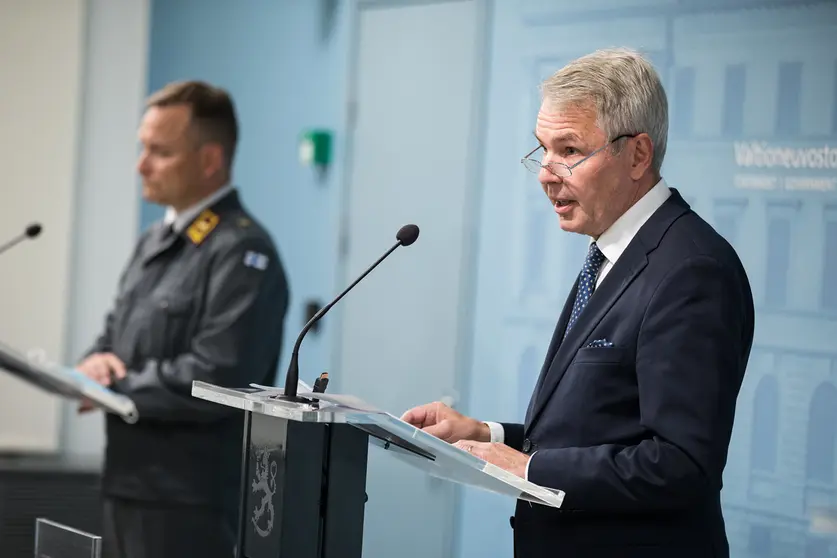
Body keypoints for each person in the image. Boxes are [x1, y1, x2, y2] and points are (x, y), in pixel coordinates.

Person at [402, 48, 754, 557]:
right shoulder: (611, 252)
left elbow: (680, 464)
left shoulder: (691, 270)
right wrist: (487, 434)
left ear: (637, 155)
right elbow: (600, 431)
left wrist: (528, 468)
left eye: (569, 150)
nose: (546, 173)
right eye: (542, 149)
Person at [76, 80, 290, 558]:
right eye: (142, 148)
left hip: (189, 500)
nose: (141, 164)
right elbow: (112, 335)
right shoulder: (155, 241)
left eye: (160, 151)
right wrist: (92, 367)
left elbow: (220, 374)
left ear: (209, 160)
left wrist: (116, 385)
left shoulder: (241, 250)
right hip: (127, 483)